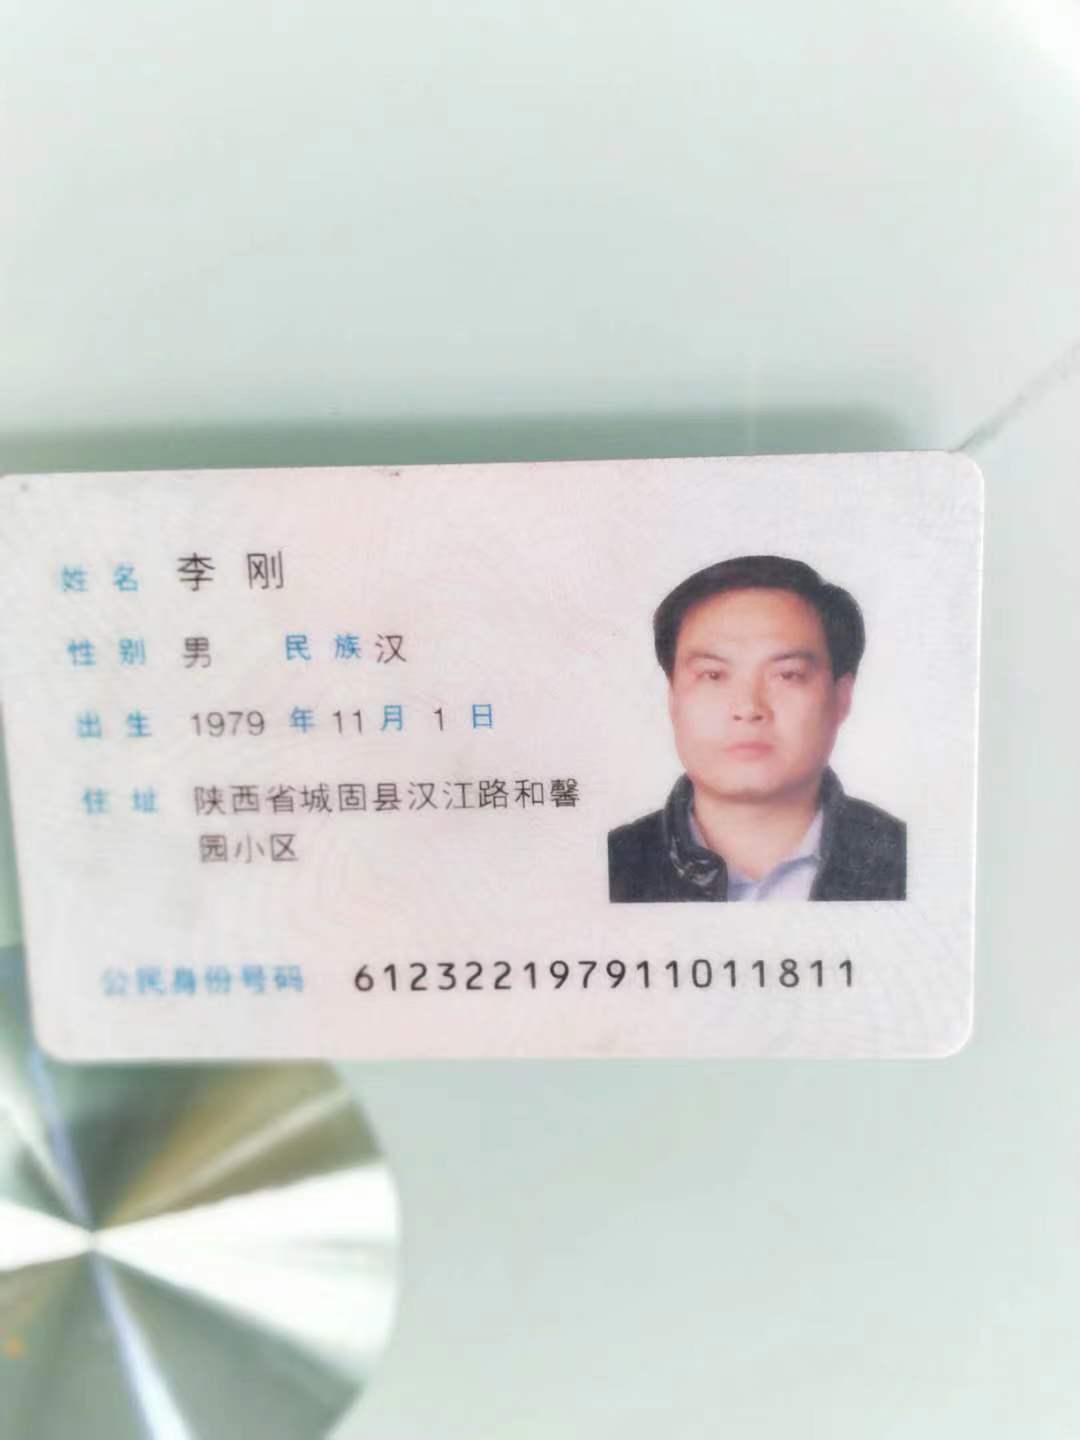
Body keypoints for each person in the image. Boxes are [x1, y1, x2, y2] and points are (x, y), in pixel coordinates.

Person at [608, 555, 905, 902]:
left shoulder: (906, 860)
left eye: (788, 675)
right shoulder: (613, 865)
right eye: (713, 675)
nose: (748, 708)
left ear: (841, 697)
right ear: (673, 700)